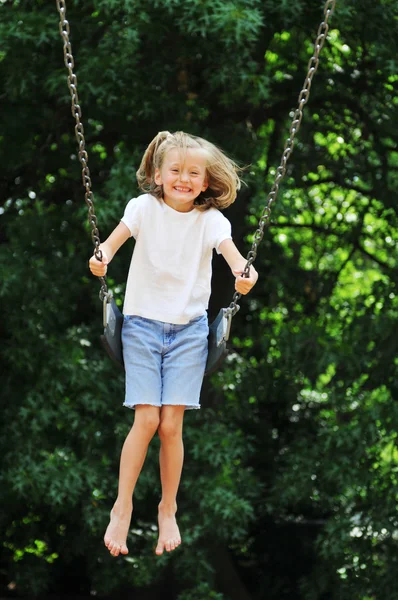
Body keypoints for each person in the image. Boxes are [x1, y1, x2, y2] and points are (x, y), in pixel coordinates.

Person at [89, 131, 258, 558]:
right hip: (142, 327)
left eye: (193, 173)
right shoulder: (143, 208)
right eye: (176, 170)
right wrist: (102, 258)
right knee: (145, 421)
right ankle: (122, 506)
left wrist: (245, 273)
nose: (184, 178)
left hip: (188, 334)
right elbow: (111, 243)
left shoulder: (212, 221)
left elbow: (234, 257)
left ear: (205, 182)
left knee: (170, 426)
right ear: (159, 174)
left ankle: (168, 508)